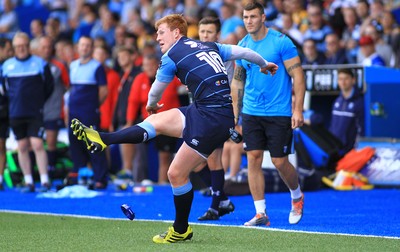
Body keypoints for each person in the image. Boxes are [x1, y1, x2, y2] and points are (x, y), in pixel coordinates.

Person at [70, 14, 277, 243]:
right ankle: (103, 138)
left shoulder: (172, 56)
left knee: (175, 173)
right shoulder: (209, 45)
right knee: (157, 123)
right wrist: (264, 64)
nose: (157, 37)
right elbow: (244, 52)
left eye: (161, 32)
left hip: (212, 118)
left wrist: (150, 104)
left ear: (176, 33)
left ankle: (181, 229)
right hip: (205, 111)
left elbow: (155, 92)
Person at [230, 2, 305, 227]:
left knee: (280, 161)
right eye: (245, 17)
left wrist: (298, 109)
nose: (249, 21)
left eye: (253, 16)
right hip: (252, 112)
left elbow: (298, 77)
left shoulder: (281, 42)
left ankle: (297, 196)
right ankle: (261, 212)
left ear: (263, 17)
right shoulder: (242, 46)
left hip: (279, 111)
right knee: (253, 158)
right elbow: (237, 83)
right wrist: (235, 117)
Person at [194, 16, 236, 221]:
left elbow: (227, 86)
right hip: (199, 111)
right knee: (194, 164)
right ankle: (224, 200)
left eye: (209, 32)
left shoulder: (223, 54)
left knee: (212, 158)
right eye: (202, 32)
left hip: (217, 111)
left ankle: (214, 208)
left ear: (217, 35)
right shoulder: (193, 52)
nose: (204, 36)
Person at [1, 32, 54, 192]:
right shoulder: (6, 66)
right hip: (16, 112)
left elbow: (49, 87)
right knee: (22, 146)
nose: (21, 49)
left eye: (24, 46)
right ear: (14, 48)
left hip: (34, 111)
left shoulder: (39, 64)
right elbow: (3, 89)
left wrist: (38, 102)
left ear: (28, 46)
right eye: (18, 46)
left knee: (37, 144)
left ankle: (44, 180)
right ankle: (28, 180)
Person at [126, 54, 182, 184]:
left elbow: (183, 84)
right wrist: (129, 122)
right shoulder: (140, 79)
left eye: (152, 65)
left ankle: (163, 184)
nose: (149, 68)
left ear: (157, 66)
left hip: (167, 121)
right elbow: (133, 101)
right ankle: (139, 180)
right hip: (148, 120)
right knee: (139, 150)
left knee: (165, 156)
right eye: (146, 65)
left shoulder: (169, 77)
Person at [66, 36, 109, 189]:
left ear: (91, 48)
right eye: (82, 45)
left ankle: (100, 178)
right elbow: (71, 90)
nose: (84, 48)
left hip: (89, 112)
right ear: (78, 47)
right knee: (75, 145)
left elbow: (104, 91)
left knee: (93, 144)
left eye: (88, 45)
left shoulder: (96, 66)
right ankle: (80, 175)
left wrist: (92, 105)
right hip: (74, 113)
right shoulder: (72, 65)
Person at [37, 36, 70, 172]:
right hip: (35, 110)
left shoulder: (60, 66)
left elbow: (68, 86)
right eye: (43, 47)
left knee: (51, 143)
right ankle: (38, 171)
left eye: (48, 47)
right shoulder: (34, 64)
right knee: (35, 143)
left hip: (54, 109)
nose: (46, 50)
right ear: (39, 49)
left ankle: (50, 169)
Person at [329, 68, 364, 155]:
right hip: (335, 149)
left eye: (346, 78)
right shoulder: (337, 101)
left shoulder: (359, 102)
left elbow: (361, 128)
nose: (343, 82)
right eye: (340, 79)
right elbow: (332, 126)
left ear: (353, 80)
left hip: (350, 151)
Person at [0, 37, 13, 190]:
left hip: (3, 111)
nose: (10, 53)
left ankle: (0, 178)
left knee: (1, 145)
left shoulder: (8, 67)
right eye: (8, 50)